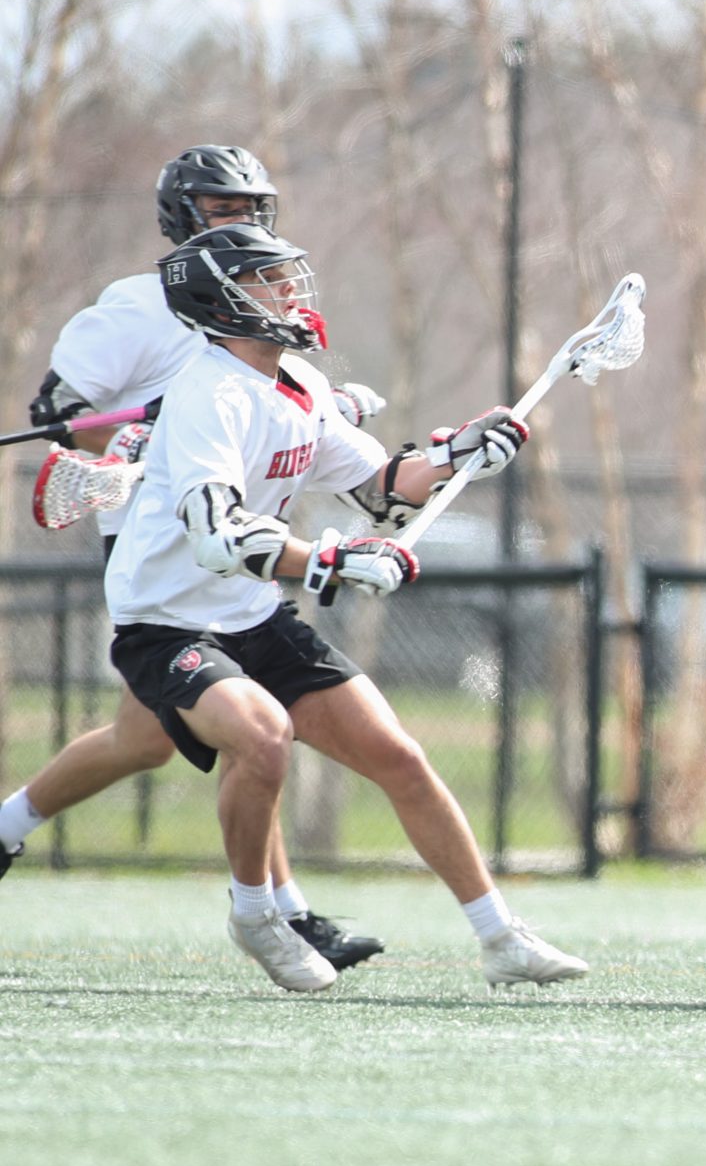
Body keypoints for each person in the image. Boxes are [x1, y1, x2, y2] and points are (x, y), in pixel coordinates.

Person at [102, 221, 587, 993]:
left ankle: (501, 936)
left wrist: (459, 455)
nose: (288, 291)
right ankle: (258, 915)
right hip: (169, 621)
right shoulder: (209, 395)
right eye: (266, 279)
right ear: (221, 299)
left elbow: (380, 489)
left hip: (253, 613)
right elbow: (218, 536)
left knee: (399, 756)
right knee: (263, 737)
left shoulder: (297, 382)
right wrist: (330, 559)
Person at [0, 145, 389, 973]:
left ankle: (4, 827)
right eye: (222, 207)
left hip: (234, 535)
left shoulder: (260, 293)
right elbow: (60, 410)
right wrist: (139, 440)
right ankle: (286, 913)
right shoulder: (137, 307)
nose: (241, 219)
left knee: (146, 738)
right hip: (165, 536)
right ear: (182, 213)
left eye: (252, 206)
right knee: (246, 724)